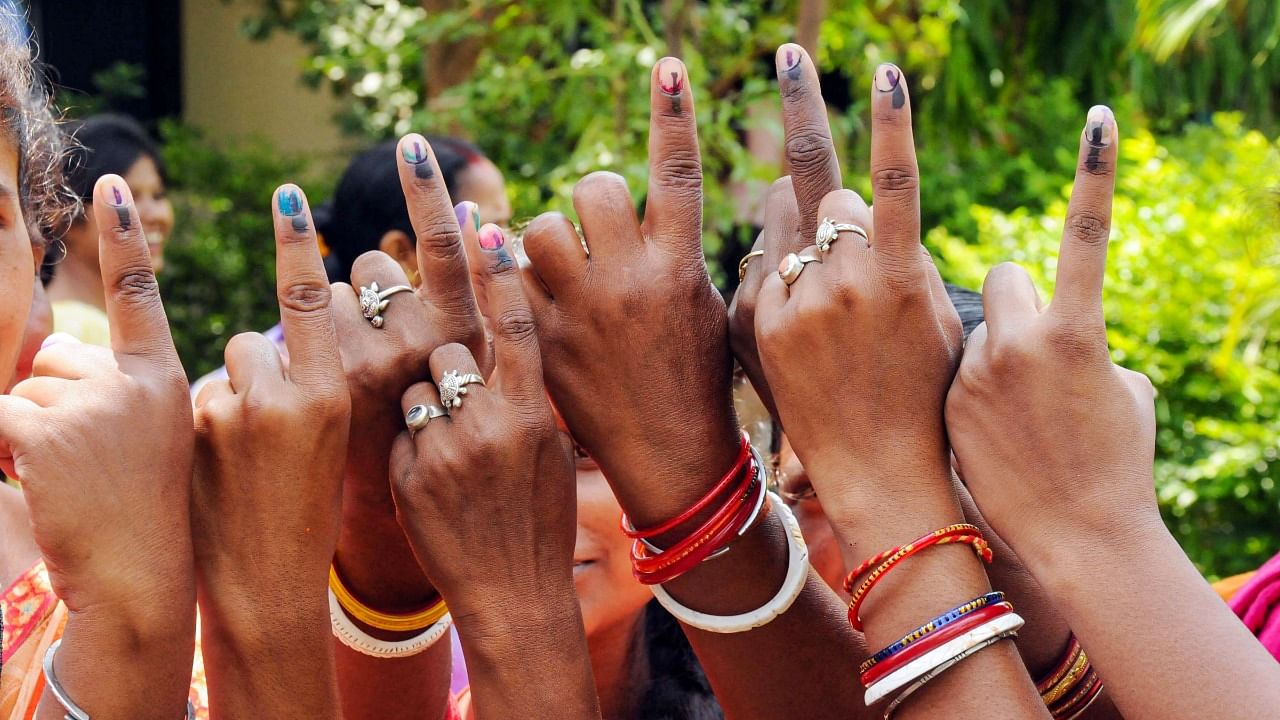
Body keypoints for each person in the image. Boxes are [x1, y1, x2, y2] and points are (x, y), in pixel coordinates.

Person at [43, 113, 173, 347]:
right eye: (127, 198)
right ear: (62, 212)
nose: (156, 215)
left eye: (158, 195)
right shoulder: (74, 334)